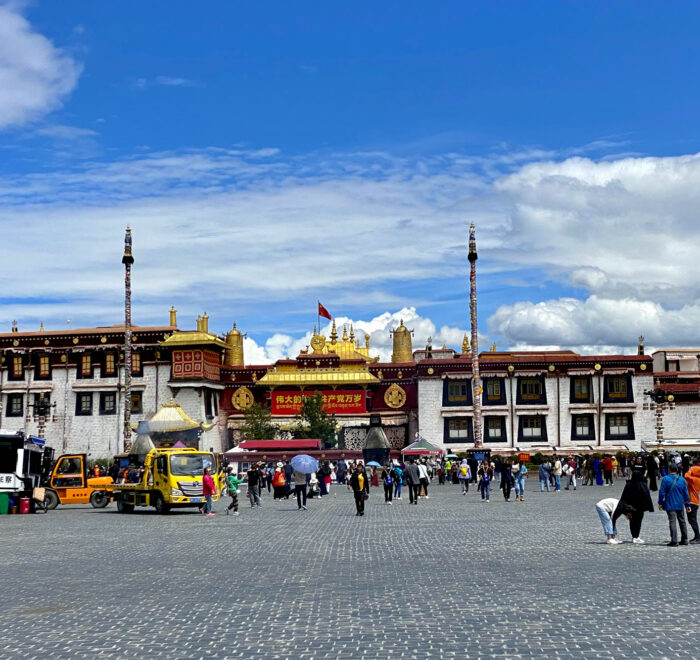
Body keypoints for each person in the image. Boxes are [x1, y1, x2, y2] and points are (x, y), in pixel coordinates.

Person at [613, 471, 654, 543]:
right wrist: (648, 506)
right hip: (640, 507)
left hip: (630, 506)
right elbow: (647, 495)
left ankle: (633, 536)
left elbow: (624, 496)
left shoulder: (628, 485)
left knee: (632, 521)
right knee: (638, 521)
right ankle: (636, 536)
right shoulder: (643, 484)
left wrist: (624, 506)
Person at [658, 464, 691, 546]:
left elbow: (662, 492)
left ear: (669, 470)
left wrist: (660, 503)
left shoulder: (665, 479)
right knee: (682, 521)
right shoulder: (682, 479)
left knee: (672, 522)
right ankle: (685, 539)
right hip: (680, 504)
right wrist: (687, 504)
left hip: (670, 503)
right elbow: (685, 493)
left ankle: (674, 540)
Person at [684, 458, 700, 543]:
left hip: (692, 502)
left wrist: (690, 470)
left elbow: (686, 476)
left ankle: (698, 537)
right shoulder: (698, 479)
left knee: (692, 520)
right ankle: (696, 536)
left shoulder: (694, 480)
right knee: (692, 520)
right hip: (695, 501)